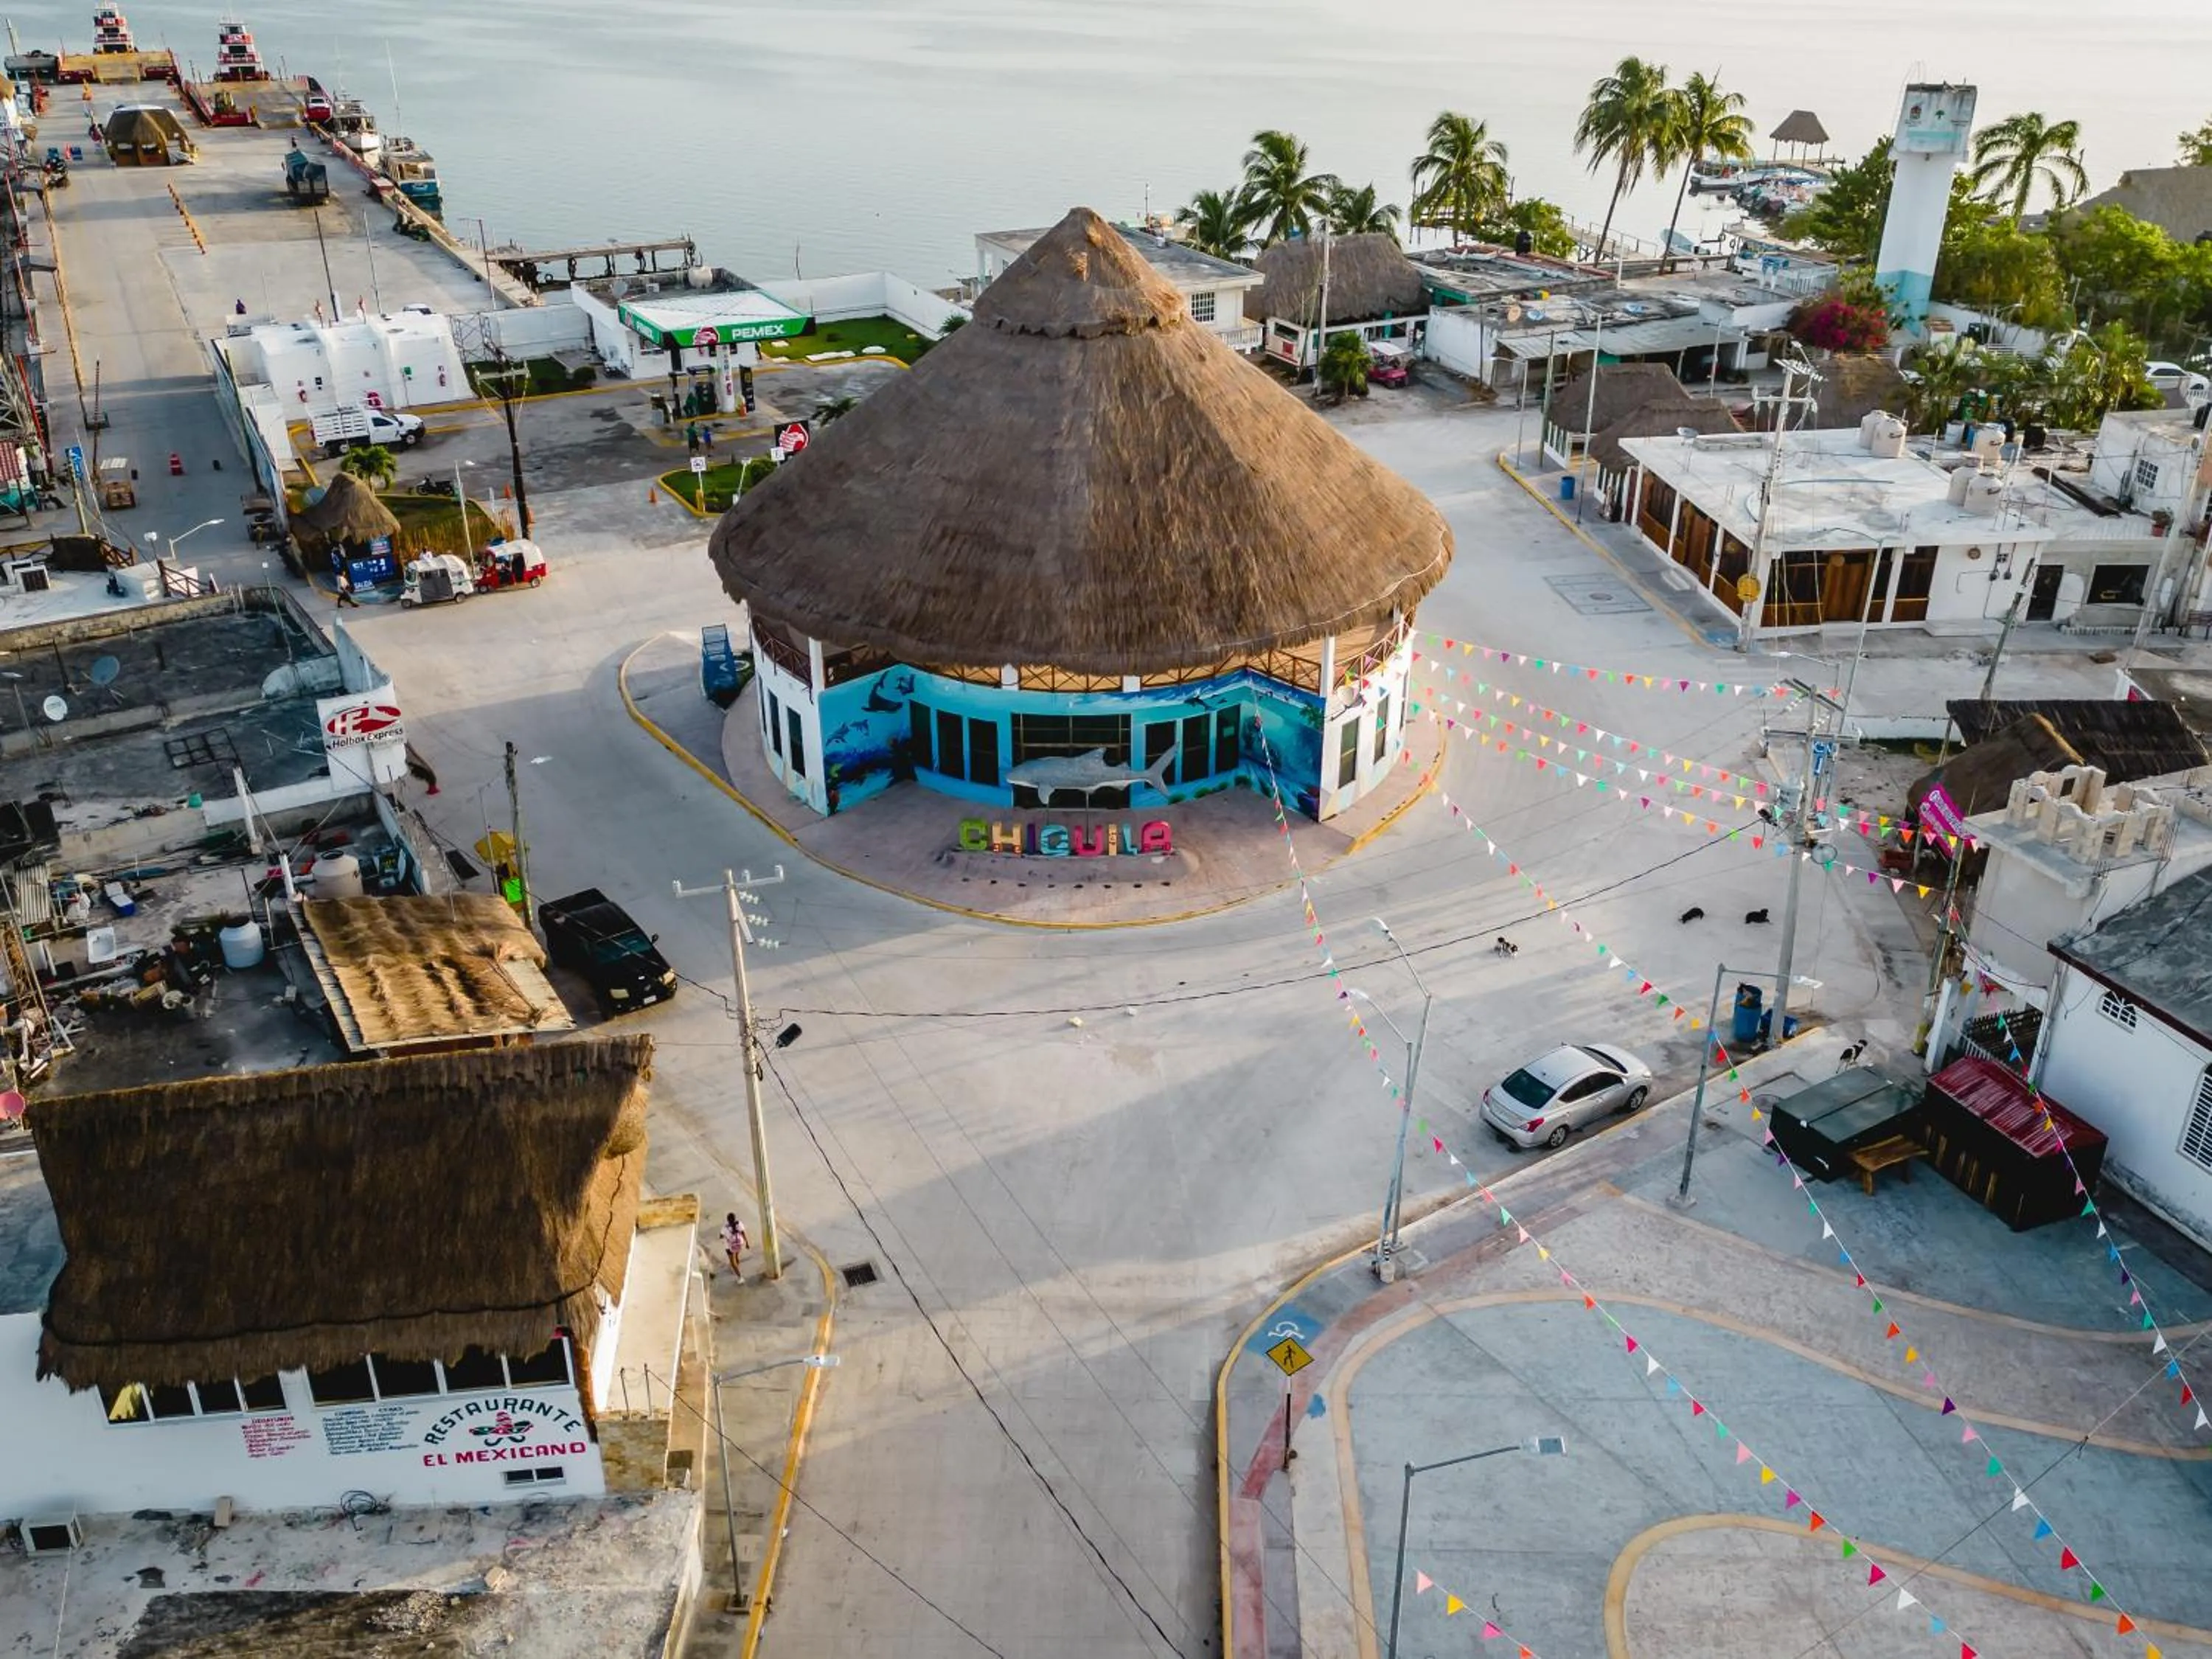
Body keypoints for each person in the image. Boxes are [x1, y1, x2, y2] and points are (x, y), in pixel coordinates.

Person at [720, 1211, 748, 1281]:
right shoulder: (739, 1223)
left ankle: (740, 1277)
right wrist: (747, 1243)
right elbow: (743, 1233)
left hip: (730, 1247)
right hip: (739, 1243)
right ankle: (737, 1264)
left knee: (733, 1262)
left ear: (728, 1220)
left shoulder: (725, 1228)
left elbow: (721, 1236)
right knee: (736, 1255)